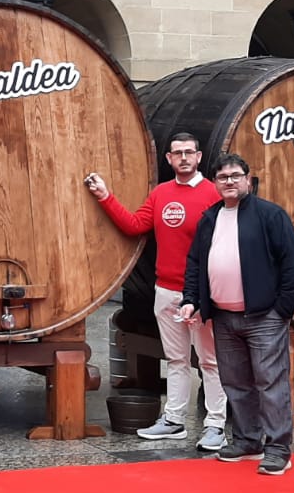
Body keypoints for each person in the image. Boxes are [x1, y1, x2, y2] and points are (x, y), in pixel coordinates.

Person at [87, 133, 226, 451]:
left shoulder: (213, 195)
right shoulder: (161, 194)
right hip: (165, 290)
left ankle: (216, 424)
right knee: (176, 360)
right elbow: (135, 226)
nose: (184, 158)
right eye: (177, 153)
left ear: (199, 156)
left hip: (202, 293)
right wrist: (105, 196)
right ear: (168, 159)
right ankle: (174, 421)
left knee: (211, 362)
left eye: (189, 152)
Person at [177, 153, 294, 477]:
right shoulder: (210, 219)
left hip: (264, 317)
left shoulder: (269, 215)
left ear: (248, 179)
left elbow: (293, 264)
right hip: (223, 317)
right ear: (215, 183)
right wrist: (192, 300)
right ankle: (248, 440)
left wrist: (282, 310)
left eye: (236, 175)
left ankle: (278, 449)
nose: (230, 181)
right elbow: (194, 264)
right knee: (235, 383)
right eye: (223, 177)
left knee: (270, 383)